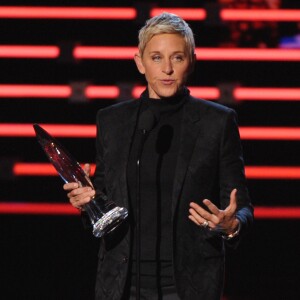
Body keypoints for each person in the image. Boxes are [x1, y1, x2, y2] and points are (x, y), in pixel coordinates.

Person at [64, 12, 253, 300]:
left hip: (188, 286)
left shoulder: (217, 122)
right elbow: (102, 210)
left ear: (192, 61)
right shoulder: (113, 122)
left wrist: (231, 226)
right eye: (156, 58)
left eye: (177, 58)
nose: (167, 68)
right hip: (121, 284)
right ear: (140, 62)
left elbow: (242, 207)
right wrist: (87, 203)